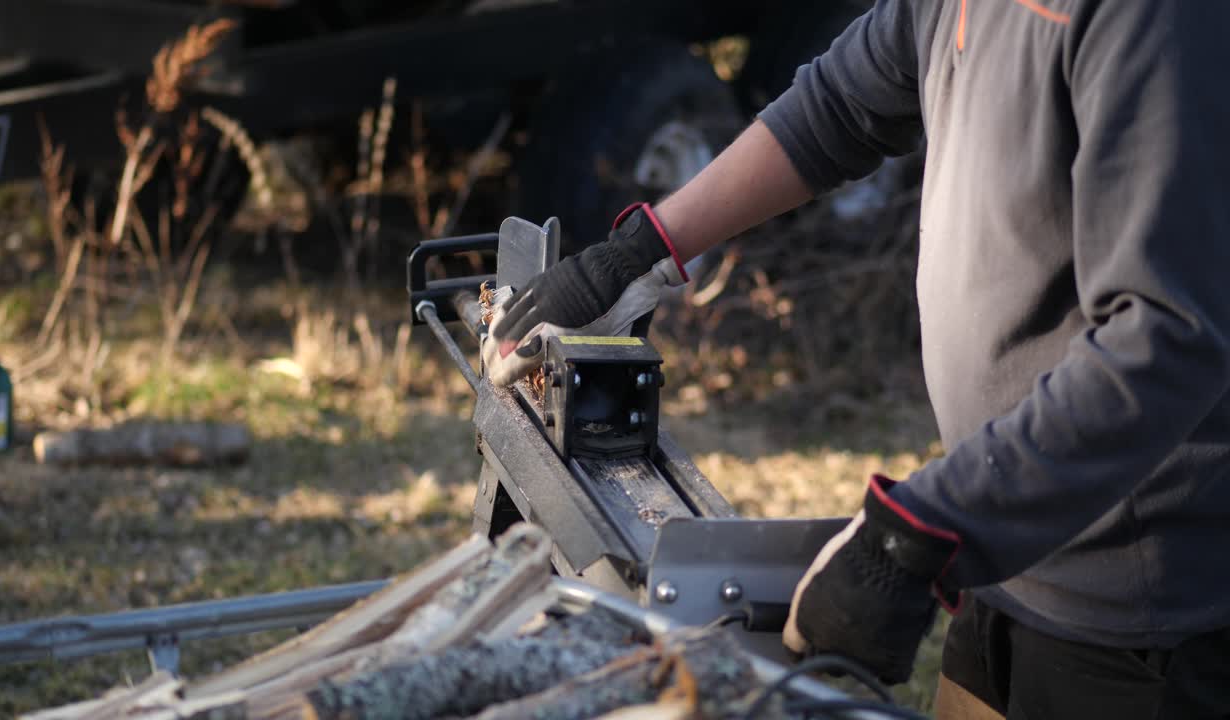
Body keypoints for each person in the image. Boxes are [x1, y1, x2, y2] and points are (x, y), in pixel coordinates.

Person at [483, 1, 1230, 718]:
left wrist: (919, 533)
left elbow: (1165, 339)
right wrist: (640, 253)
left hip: (1144, 617)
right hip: (1009, 555)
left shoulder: (1159, 14)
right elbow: (841, 106)